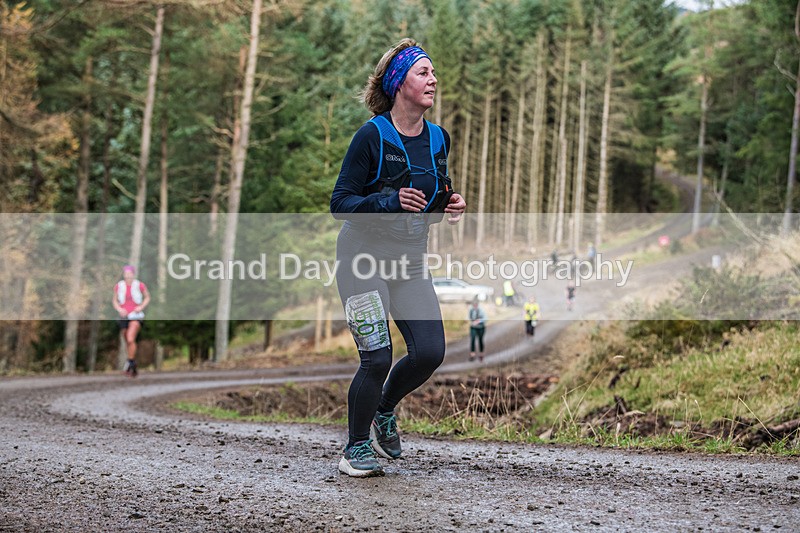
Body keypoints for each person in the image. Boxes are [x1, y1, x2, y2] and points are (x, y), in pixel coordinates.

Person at [330, 38, 466, 478]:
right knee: (377, 356)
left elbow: (432, 193)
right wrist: (387, 202)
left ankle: (385, 409)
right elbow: (340, 202)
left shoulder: (439, 138)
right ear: (399, 83)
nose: (433, 80)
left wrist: (448, 204)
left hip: (408, 261)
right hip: (362, 259)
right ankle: (355, 447)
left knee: (429, 352)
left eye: (432, 73)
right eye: (423, 72)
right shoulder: (372, 135)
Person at [112, 265, 150, 377]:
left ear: (133, 274)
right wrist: (119, 309)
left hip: (135, 315)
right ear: (123, 275)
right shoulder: (119, 286)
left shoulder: (140, 285)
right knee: (127, 340)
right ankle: (132, 362)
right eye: (126, 274)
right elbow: (114, 300)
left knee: (130, 338)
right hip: (124, 315)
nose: (128, 276)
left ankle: (130, 362)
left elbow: (147, 297)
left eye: (130, 274)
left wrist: (141, 307)